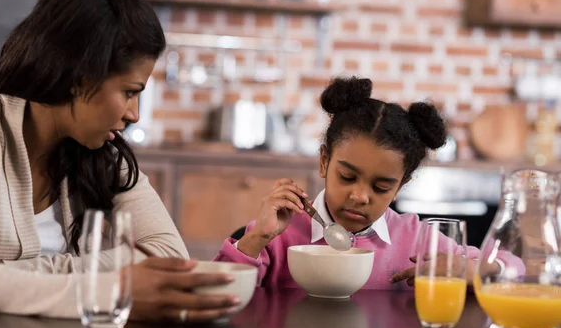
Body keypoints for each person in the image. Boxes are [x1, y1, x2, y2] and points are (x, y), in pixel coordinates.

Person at [0, 0, 239, 322]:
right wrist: (105, 287)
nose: (133, 114)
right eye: (129, 91)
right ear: (79, 77)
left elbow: (170, 258)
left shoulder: (103, 154)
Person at [214, 77, 508, 289]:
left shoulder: (416, 238)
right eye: (347, 177)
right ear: (324, 162)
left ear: (400, 186)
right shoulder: (280, 232)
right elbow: (215, 288)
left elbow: (513, 268)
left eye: (381, 187)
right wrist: (256, 239)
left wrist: (472, 268)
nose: (359, 196)